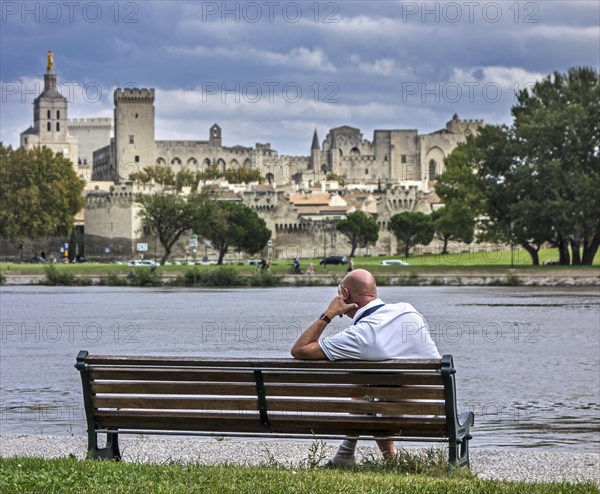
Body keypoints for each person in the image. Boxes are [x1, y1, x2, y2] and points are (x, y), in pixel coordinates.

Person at [290, 269, 440, 467]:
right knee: (370, 387)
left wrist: (328, 314)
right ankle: (377, 460)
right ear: (374, 292)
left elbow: (300, 350)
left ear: (344, 294)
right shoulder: (409, 311)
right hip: (436, 410)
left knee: (364, 393)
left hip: (393, 414)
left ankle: (352, 455)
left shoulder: (359, 335)